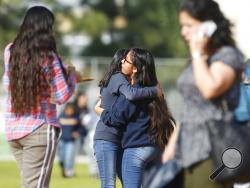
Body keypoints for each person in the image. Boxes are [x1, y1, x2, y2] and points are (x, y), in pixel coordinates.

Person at [163, 0, 244, 188]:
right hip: (187, 151)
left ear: (209, 26)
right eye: (182, 26)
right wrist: (172, 145)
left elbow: (210, 89)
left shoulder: (227, 56)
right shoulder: (198, 59)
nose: (183, 32)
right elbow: (190, 106)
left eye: (189, 25)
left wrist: (198, 54)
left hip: (212, 151)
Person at [3, 6, 79, 188]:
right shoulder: (48, 57)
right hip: (39, 129)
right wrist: (72, 76)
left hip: (14, 130)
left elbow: (10, 85)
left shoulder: (10, 51)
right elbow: (61, 95)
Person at [95, 47, 175, 188]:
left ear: (135, 68)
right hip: (157, 147)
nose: (122, 62)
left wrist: (100, 111)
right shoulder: (154, 89)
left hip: (136, 148)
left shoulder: (135, 92)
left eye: (126, 60)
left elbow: (117, 117)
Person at [58, 103, 80, 178]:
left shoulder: (76, 117)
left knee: (69, 157)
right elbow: (58, 122)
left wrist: (78, 133)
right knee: (62, 157)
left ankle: (68, 172)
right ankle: (63, 168)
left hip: (70, 141)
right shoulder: (61, 115)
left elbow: (80, 127)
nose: (70, 112)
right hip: (62, 140)